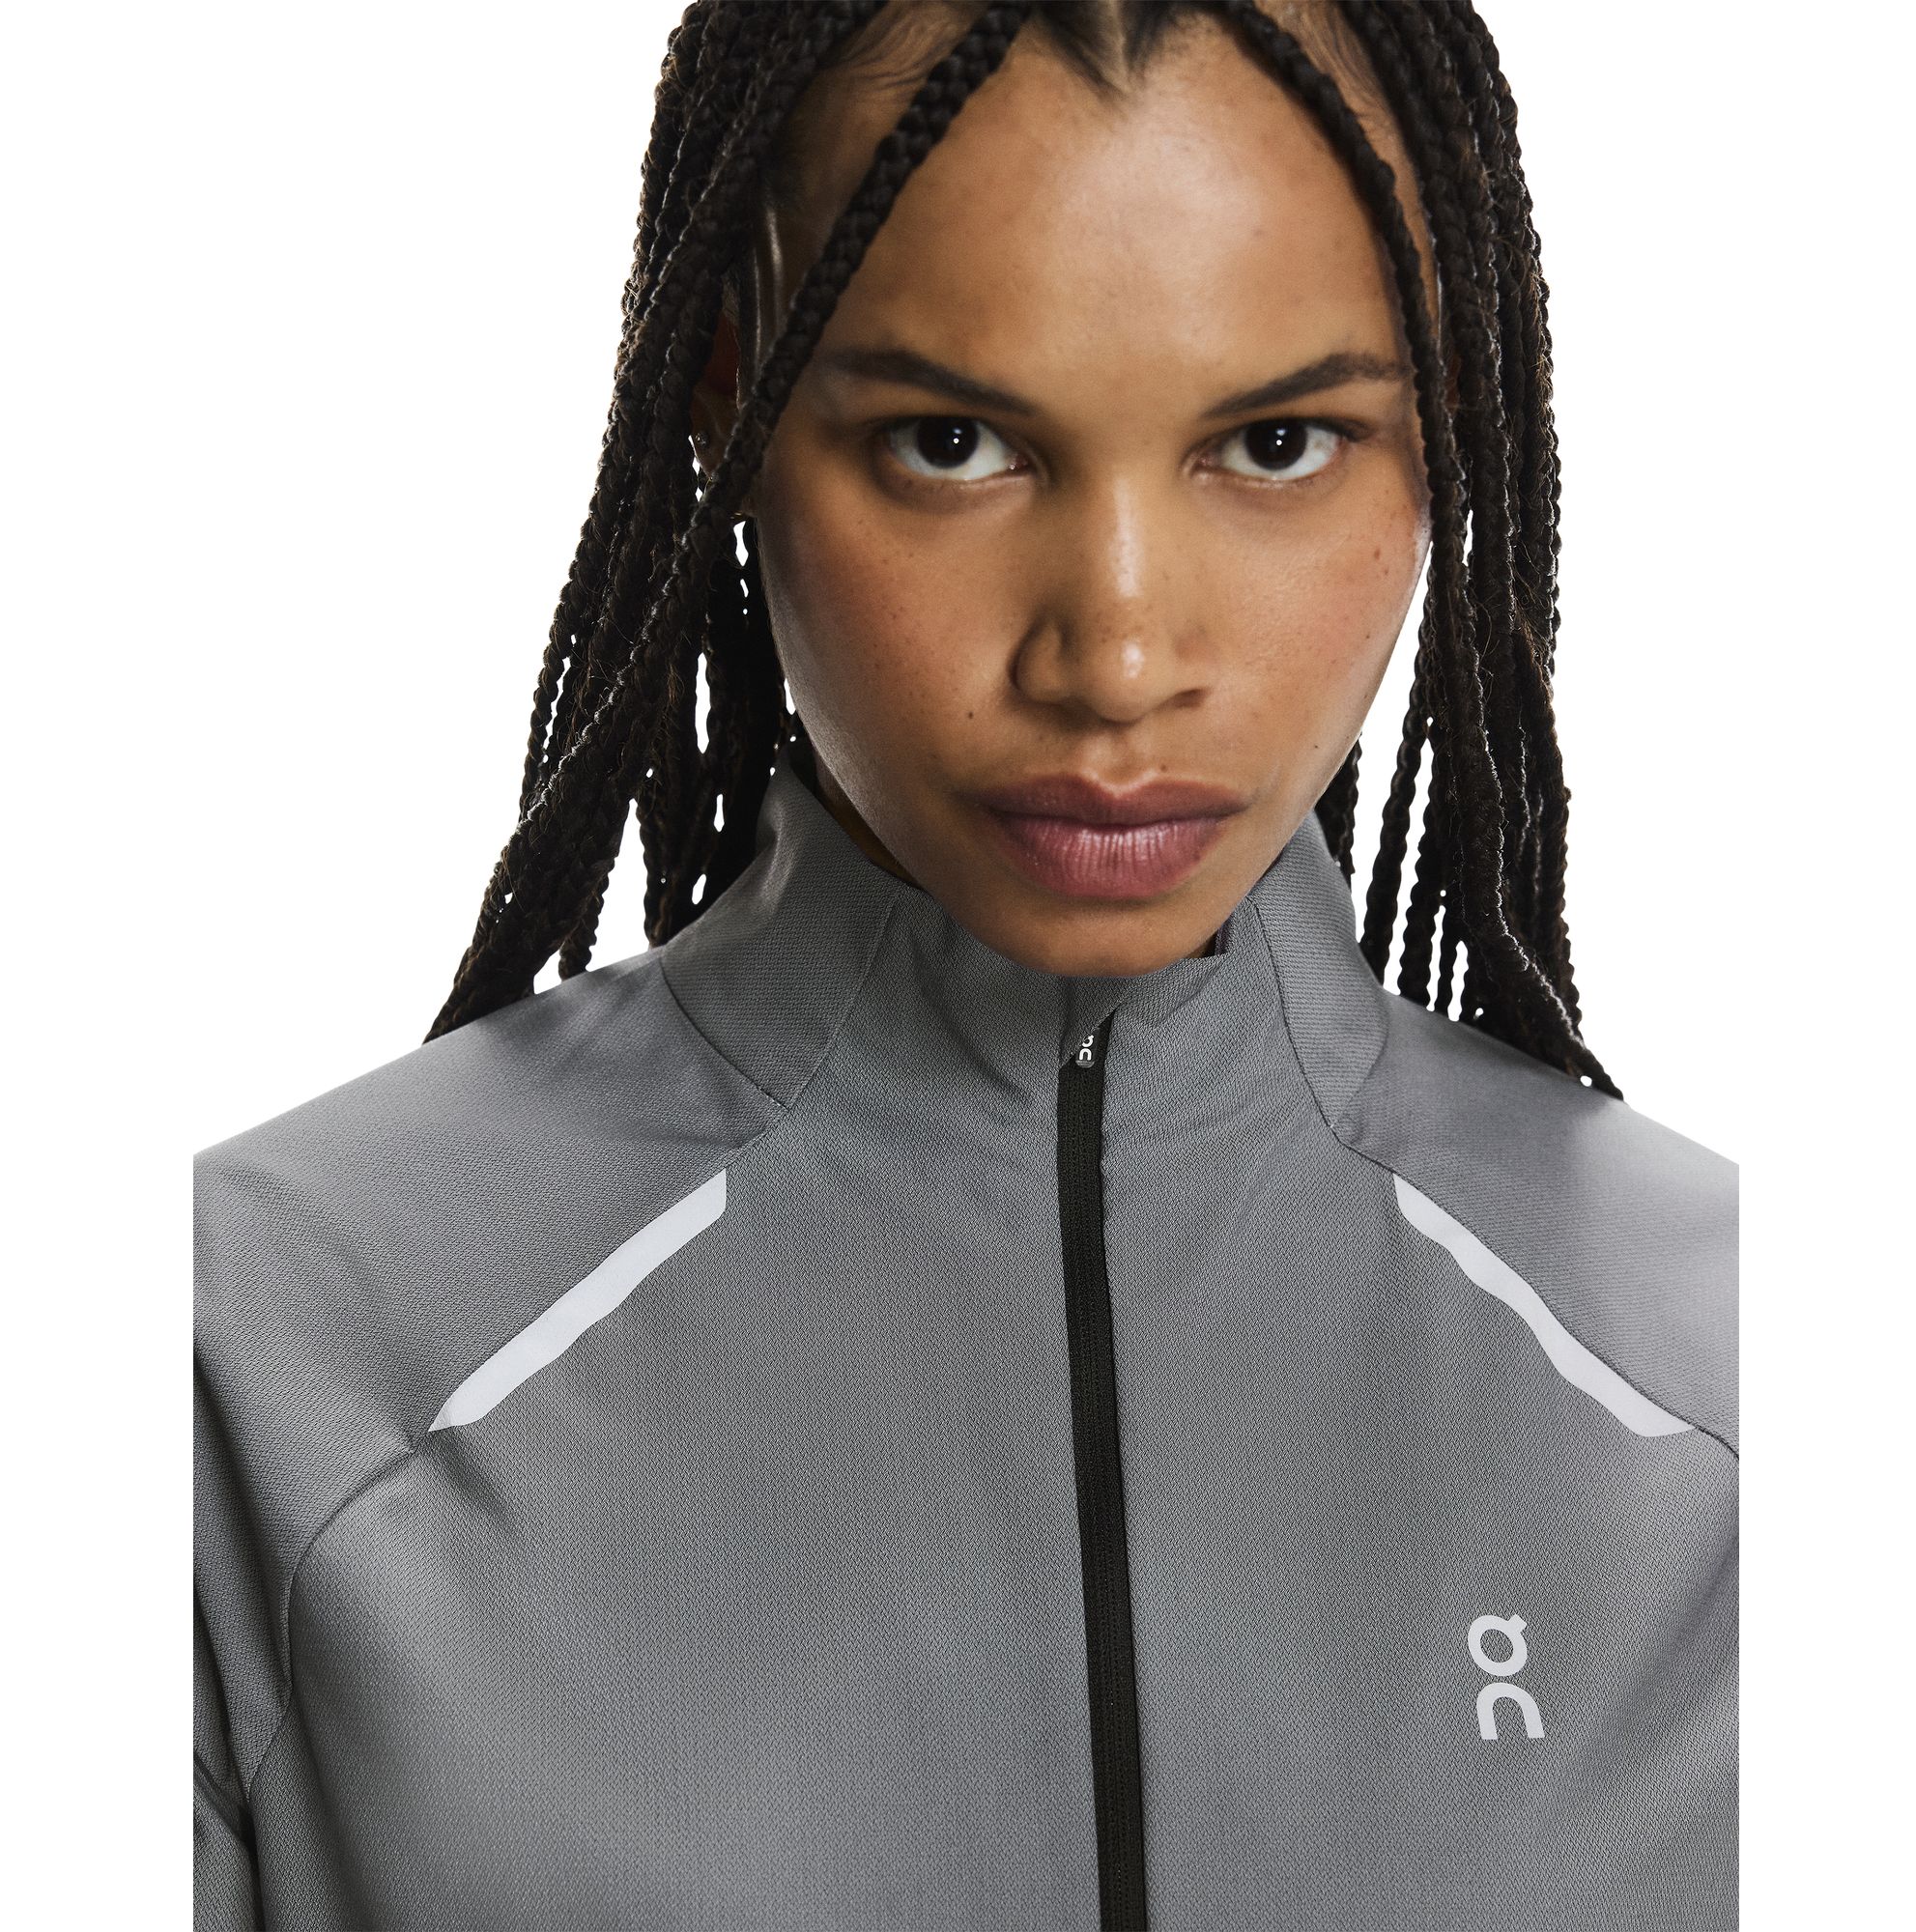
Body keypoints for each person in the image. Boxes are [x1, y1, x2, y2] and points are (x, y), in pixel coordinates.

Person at [193, 2, 1737, 1927]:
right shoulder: (255, 1359)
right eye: (953, 443)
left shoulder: (1755, 1398)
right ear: (730, 398)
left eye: (1275, 444)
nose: (1116, 654)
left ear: (1450, 426)